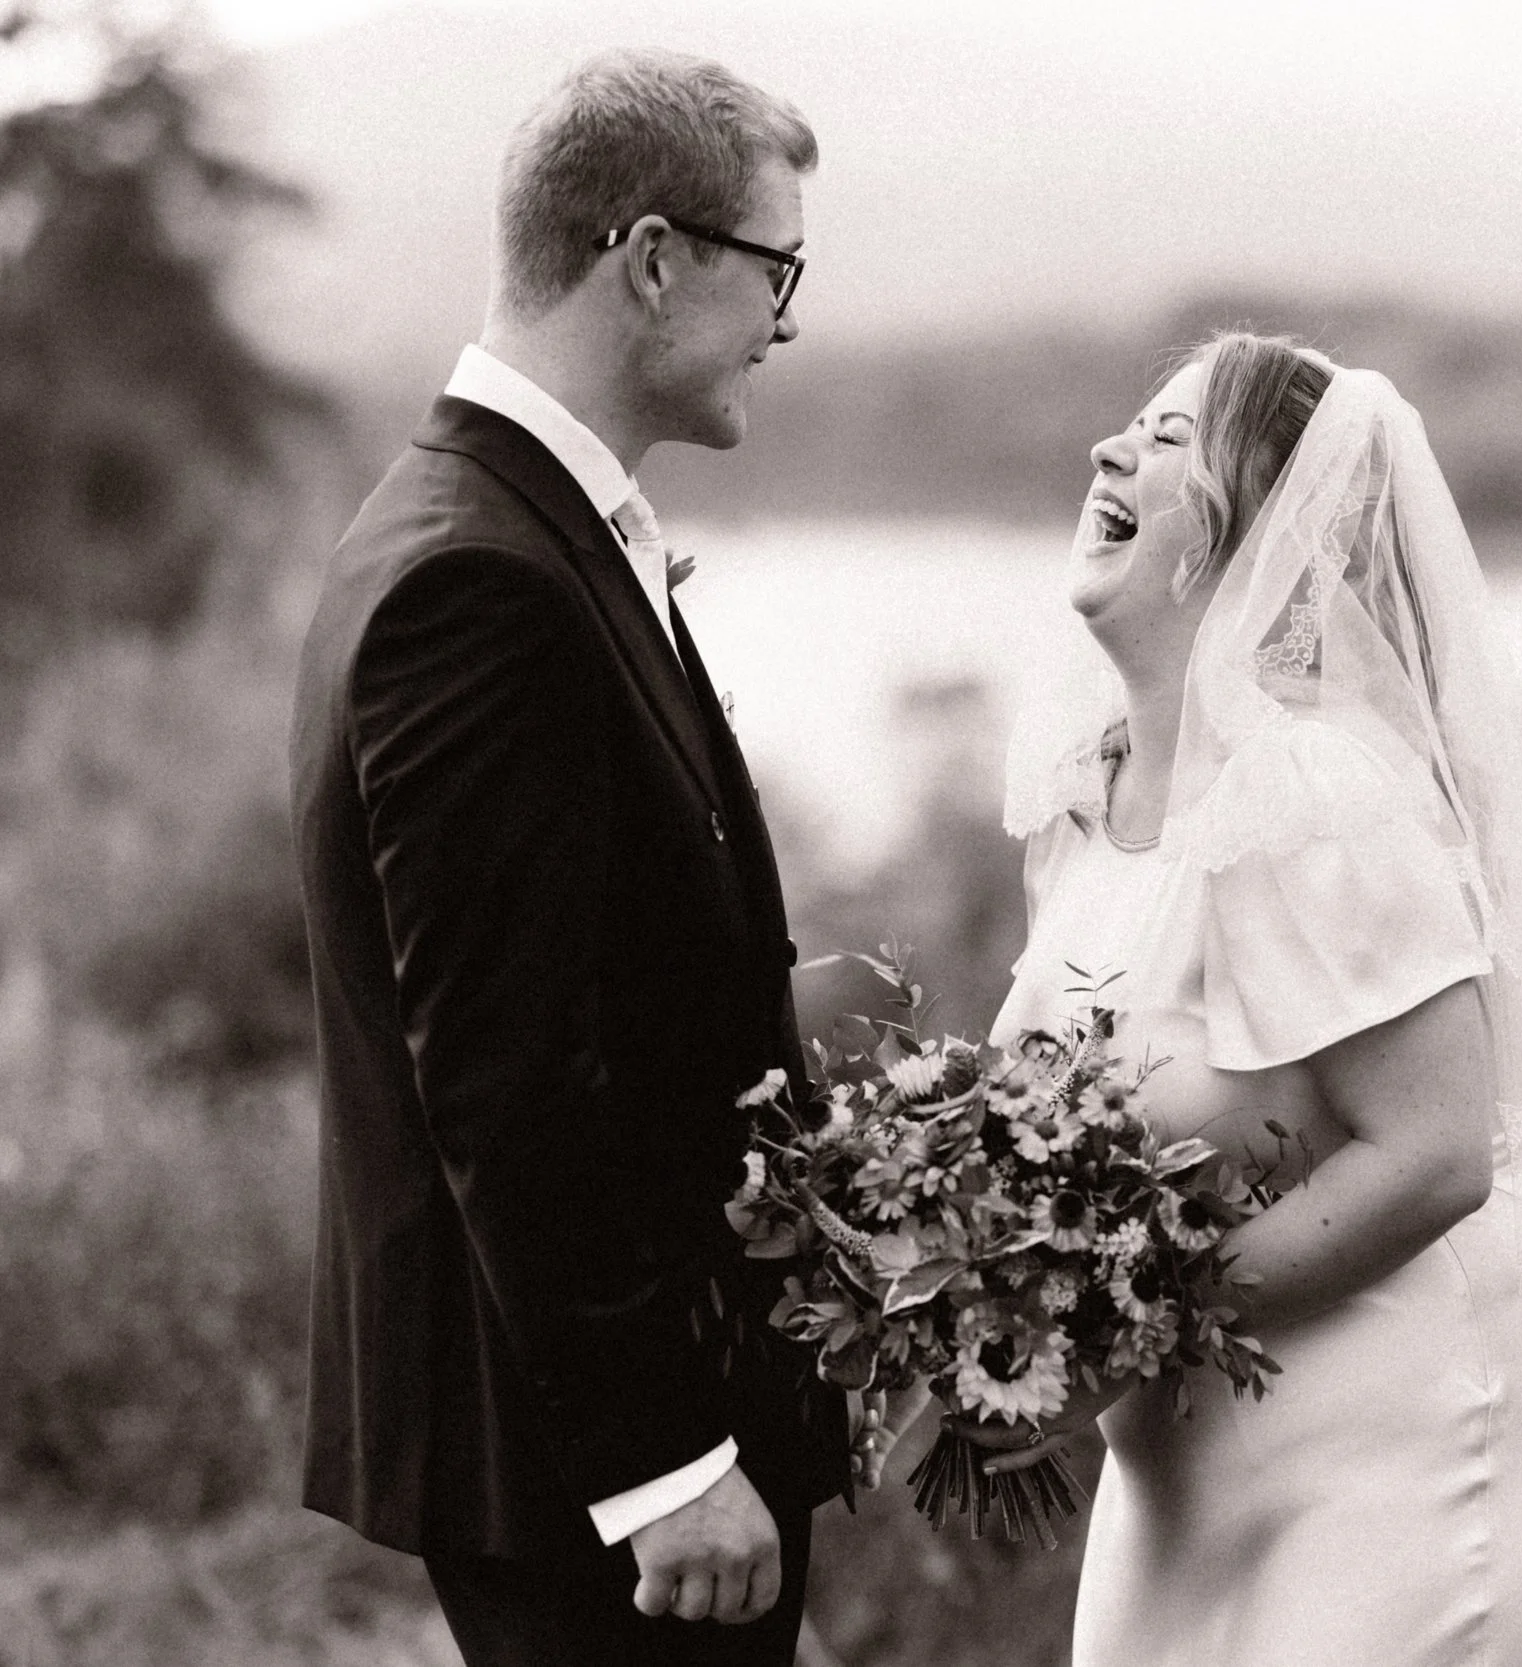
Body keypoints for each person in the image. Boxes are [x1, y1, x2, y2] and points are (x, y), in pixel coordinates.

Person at [981, 333, 1522, 1664]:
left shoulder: (1316, 795)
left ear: (1263, 529)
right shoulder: (1081, 804)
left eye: (1174, 439)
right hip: (1193, 1448)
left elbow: (1435, 1151)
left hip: (1400, 1437)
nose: (1110, 450)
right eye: (1132, 423)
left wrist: (1124, 1317)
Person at [290, 50, 846, 1666]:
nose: (789, 319)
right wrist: (661, 1468)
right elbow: (506, 1074)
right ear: (654, 256)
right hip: (592, 1466)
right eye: (777, 268)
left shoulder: (503, 523)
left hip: (613, 1432)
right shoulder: (483, 580)